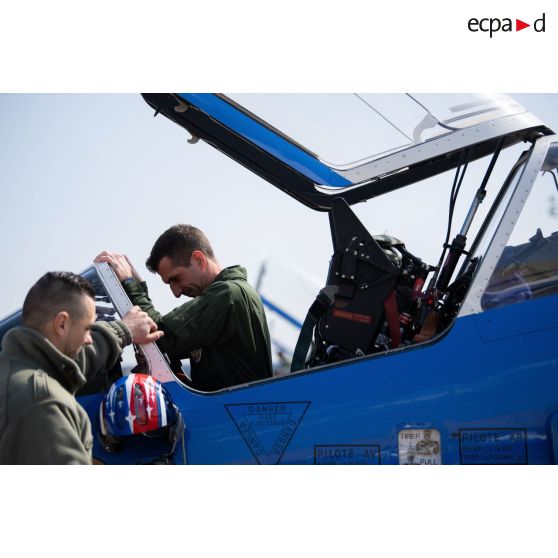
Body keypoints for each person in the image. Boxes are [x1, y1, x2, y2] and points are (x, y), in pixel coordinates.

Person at [0, 271, 164, 465]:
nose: (89, 339)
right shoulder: (45, 403)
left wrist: (123, 330)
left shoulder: (15, 370)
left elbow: (69, 365)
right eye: (87, 328)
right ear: (62, 324)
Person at [95, 224, 273, 391]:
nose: (176, 293)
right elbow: (171, 346)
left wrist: (130, 284)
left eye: (176, 279)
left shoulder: (228, 295)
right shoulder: (230, 296)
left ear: (198, 259)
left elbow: (161, 336)